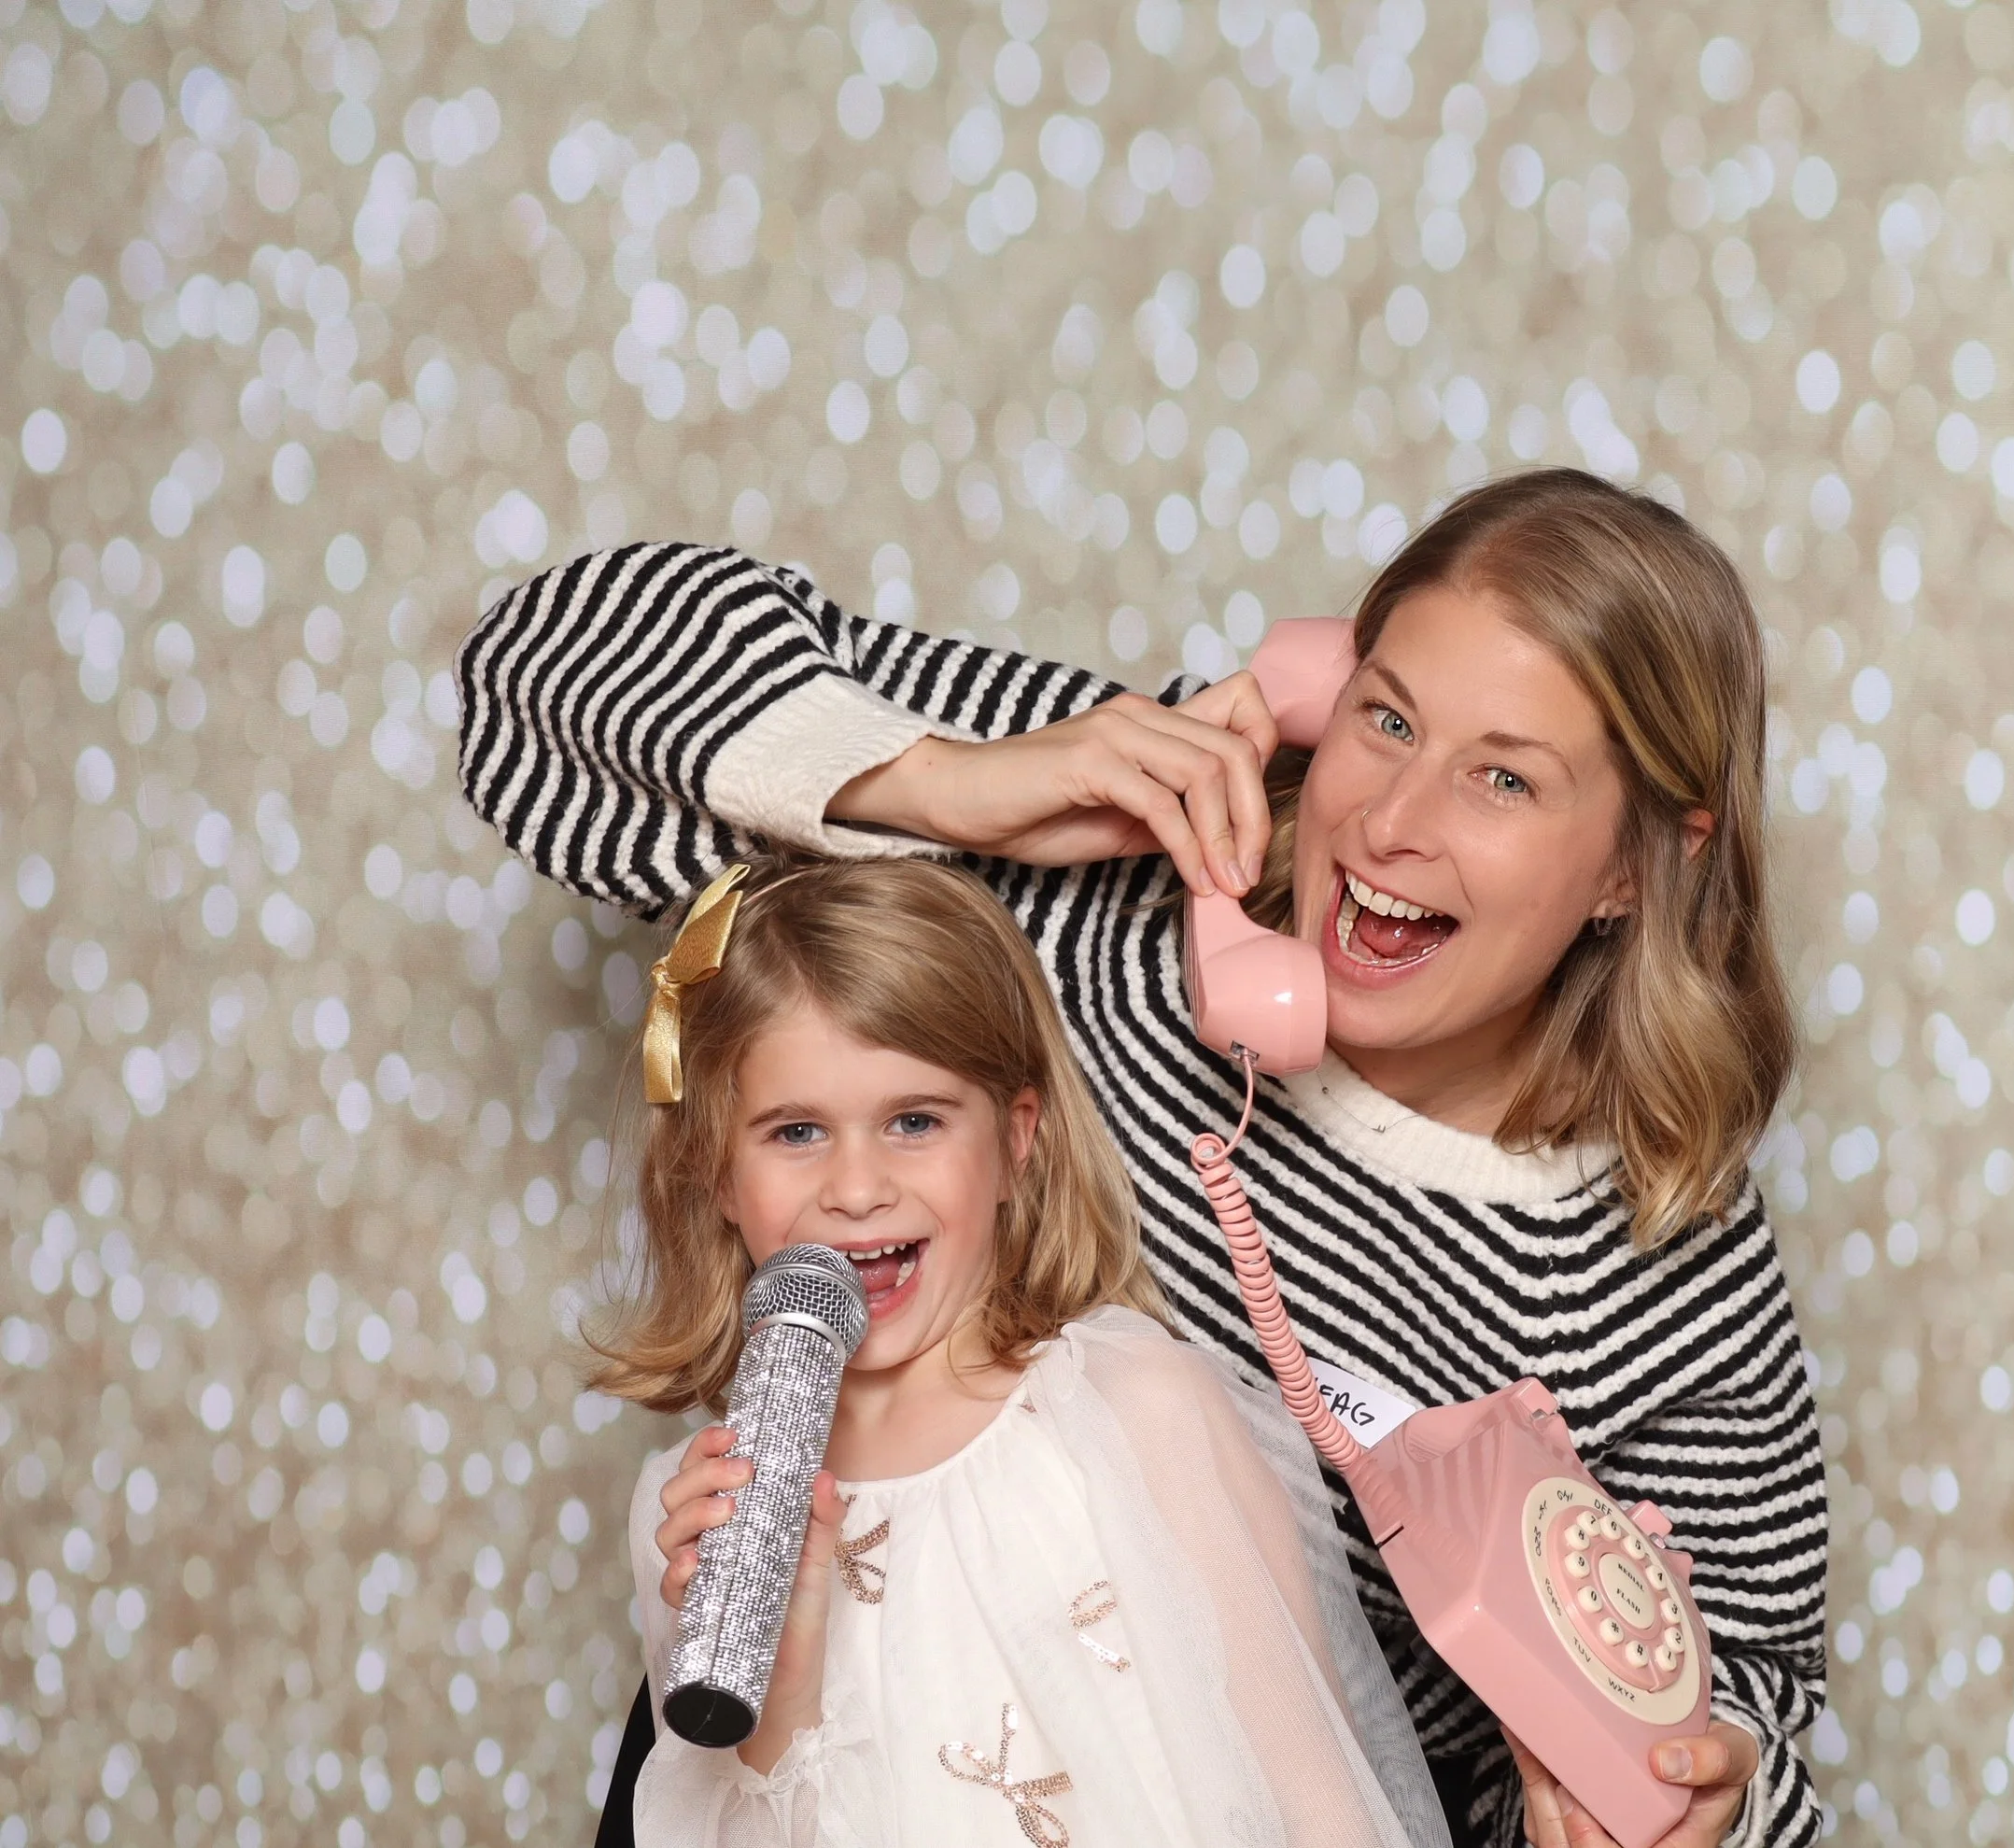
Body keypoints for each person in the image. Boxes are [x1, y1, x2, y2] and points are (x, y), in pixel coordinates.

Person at [460, 469, 1828, 1847]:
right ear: (1318, 690)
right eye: (1389, 716)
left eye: (1504, 776)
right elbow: (531, 687)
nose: (1391, 821)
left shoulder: (1677, 1278)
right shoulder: (1139, 835)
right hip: (812, 1736)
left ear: (1638, 864)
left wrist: (1685, 1808)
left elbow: (1748, 1717)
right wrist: (961, 788)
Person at [600, 853, 1458, 1845]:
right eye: (796, 1131)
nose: (857, 1185)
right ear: (715, 1175)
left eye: (914, 1120)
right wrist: (779, 1694)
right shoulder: (701, 1505)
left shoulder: (1132, 1407)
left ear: (1017, 1143)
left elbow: (1321, 1813)